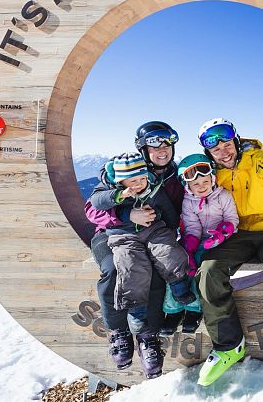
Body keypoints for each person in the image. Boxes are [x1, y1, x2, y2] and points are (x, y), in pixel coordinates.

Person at [194, 118, 263, 400]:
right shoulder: (213, 173)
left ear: (236, 141)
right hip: (238, 234)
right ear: (209, 153)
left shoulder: (258, 158)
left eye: (227, 143)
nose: (224, 151)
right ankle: (229, 346)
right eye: (216, 148)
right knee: (208, 271)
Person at [84, 121, 186, 374]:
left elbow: (178, 210)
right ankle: (119, 333)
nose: (163, 149)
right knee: (112, 269)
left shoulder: (175, 176)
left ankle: (147, 335)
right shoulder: (119, 170)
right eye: (155, 144)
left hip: (154, 233)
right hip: (112, 233)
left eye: (167, 143)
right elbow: (92, 209)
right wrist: (128, 215)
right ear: (142, 148)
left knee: (155, 266)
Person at [162, 154, 239, 335]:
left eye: (205, 181)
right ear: (187, 186)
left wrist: (222, 233)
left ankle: (194, 309)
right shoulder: (188, 202)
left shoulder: (223, 196)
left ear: (212, 179)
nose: (201, 186)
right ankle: (173, 309)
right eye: (195, 184)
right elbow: (192, 226)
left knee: (200, 264)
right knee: (178, 262)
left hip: (222, 238)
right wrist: (189, 247)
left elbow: (232, 219)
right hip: (197, 238)